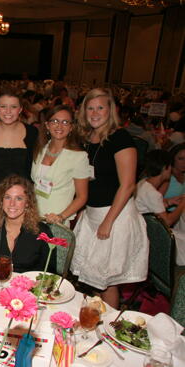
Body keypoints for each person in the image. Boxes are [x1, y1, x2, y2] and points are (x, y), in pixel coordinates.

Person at [71, 88, 148, 308]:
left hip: (114, 215)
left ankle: (110, 327)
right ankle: (100, 321)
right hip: (93, 213)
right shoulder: (88, 137)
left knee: (106, 282)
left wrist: (108, 221)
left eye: (100, 107)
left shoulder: (120, 138)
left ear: (110, 110)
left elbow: (128, 184)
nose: (95, 113)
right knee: (95, 279)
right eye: (90, 108)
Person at [0, 175, 53, 273]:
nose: (12, 204)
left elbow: (49, 273)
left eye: (19, 198)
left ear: (27, 203)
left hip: (29, 286)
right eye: (7, 197)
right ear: (1, 201)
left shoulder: (43, 233)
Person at [31, 105, 89, 225]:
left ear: (71, 127)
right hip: (34, 217)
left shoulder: (79, 156)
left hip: (57, 220)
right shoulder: (40, 149)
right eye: (55, 121)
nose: (59, 126)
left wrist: (61, 216)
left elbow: (82, 197)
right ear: (47, 125)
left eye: (65, 122)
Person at [0, 90, 38, 215]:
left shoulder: (32, 133)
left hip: (20, 201)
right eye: (3, 106)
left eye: (13, 107)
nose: (8, 111)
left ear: (20, 110)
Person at [160, 143, 185, 211]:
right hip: (166, 213)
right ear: (173, 158)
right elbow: (154, 202)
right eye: (180, 159)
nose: (184, 162)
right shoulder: (166, 176)